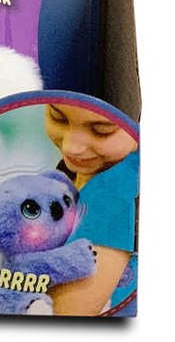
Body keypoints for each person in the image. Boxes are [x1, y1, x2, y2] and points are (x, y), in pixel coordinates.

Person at [44, 102, 139, 315]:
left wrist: (11, 268)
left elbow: (67, 314)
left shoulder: (111, 193)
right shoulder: (73, 171)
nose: (71, 147)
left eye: (101, 130)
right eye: (58, 117)